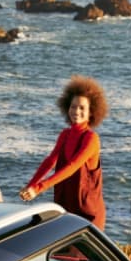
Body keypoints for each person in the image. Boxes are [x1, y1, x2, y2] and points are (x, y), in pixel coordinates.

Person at [19, 76, 107, 230]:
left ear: (91, 112)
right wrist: (31, 185)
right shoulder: (65, 135)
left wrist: (39, 188)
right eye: (73, 107)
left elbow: (73, 166)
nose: (76, 111)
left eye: (82, 108)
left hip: (88, 213)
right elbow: (50, 161)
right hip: (66, 208)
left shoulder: (91, 139)